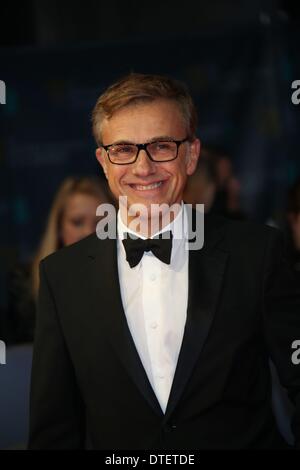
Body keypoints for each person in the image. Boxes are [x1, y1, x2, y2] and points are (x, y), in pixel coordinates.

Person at [29, 73, 300, 450]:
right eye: (123, 149)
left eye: (161, 146)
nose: (143, 168)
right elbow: (54, 429)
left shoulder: (256, 252)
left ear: (190, 155)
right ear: (104, 162)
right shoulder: (62, 276)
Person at [7, 176, 111, 344]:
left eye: (101, 223)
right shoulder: (24, 280)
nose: (88, 232)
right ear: (59, 227)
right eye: (77, 222)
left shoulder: (127, 279)